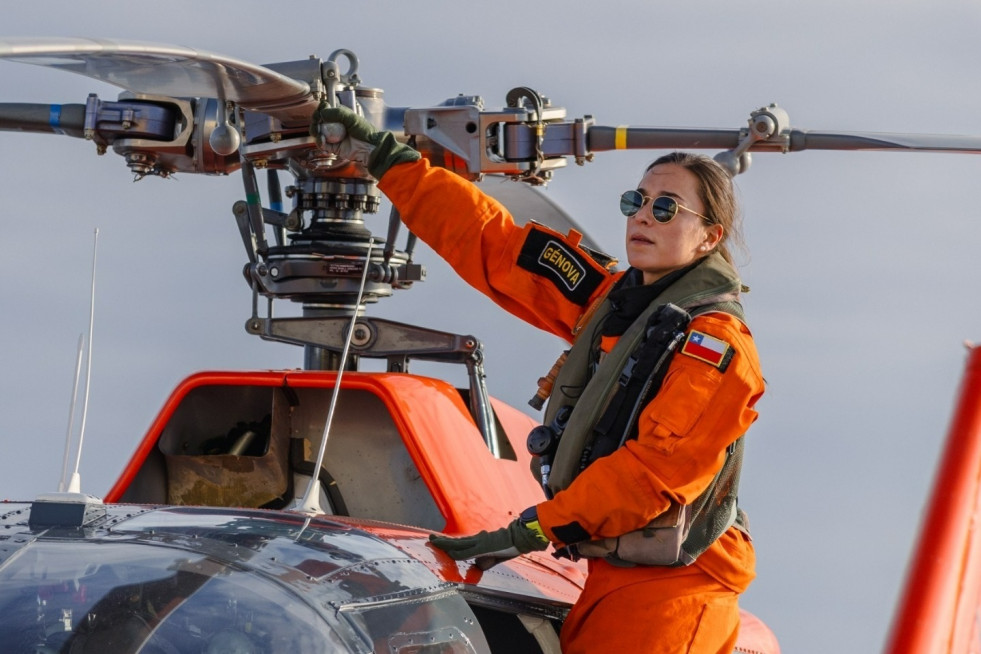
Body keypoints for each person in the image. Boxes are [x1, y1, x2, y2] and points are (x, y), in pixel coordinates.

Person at [316, 105, 765, 654]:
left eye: (666, 208)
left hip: (673, 595)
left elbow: (653, 475)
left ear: (707, 237)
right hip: (611, 575)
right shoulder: (611, 302)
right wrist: (391, 162)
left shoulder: (713, 347)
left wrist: (534, 528)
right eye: (636, 201)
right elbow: (492, 243)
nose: (643, 217)